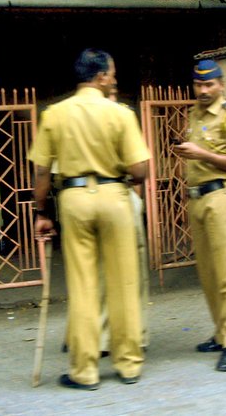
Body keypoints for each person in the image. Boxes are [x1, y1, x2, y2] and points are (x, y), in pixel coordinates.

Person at [29, 49, 150, 390]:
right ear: (100, 77)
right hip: (115, 199)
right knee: (124, 282)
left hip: (73, 199)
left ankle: (85, 370)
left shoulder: (54, 114)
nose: (113, 78)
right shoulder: (121, 114)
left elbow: (40, 171)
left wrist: (42, 213)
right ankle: (128, 365)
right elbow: (139, 170)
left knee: (83, 287)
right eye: (111, 73)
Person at [173, 59, 226, 373]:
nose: (203, 90)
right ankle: (222, 333)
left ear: (221, 84)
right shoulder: (193, 114)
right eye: (198, 85)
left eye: (209, 84)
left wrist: (201, 154)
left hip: (222, 197)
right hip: (198, 199)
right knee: (209, 274)